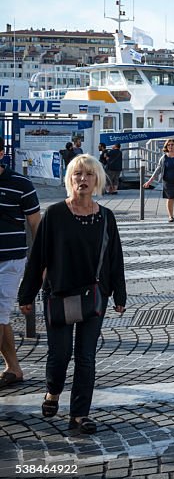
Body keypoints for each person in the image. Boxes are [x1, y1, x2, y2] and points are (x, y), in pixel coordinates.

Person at [18, 154, 125, 434]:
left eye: (89, 175)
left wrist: (120, 296)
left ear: (97, 180)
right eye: (78, 174)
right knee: (60, 355)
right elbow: (38, 257)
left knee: (86, 357)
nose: (83, 179)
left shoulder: (105, 217)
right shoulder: (54, 214)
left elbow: (115, 258)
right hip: (59, 294)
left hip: (93, 295)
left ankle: (79, 414)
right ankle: (52, 392)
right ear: (70, 179)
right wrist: (26, 296)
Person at [0, 139, 41, 389]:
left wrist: (42, 262)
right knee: (1, 318)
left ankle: (13, 368)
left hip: (9, 261)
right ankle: (14, 368)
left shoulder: (20, 183)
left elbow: (36, 224)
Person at [144, 139, 174, 222]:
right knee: (170, 198)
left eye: (172, 144)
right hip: (167, 181)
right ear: (166, 147)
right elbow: (158, 170)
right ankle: (170, 216)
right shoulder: (164, 157)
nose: (170, 146)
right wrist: (149, 181)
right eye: (168, 145)